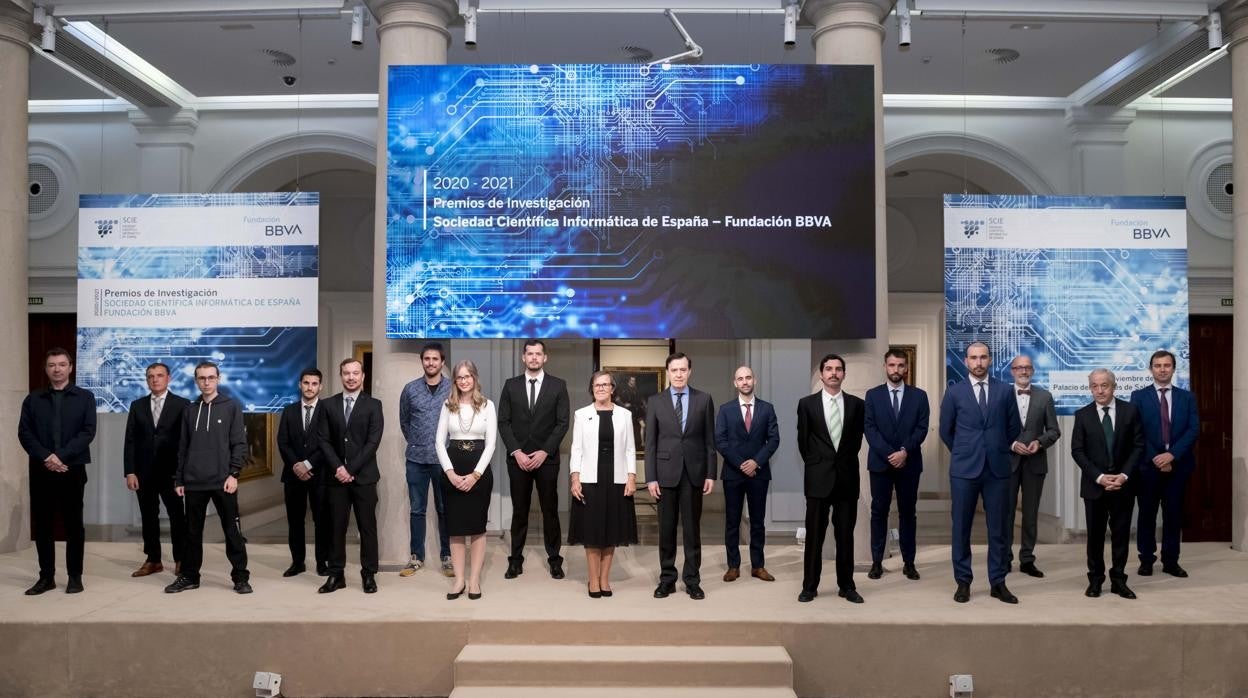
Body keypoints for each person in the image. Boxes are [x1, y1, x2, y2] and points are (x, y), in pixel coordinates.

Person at [939, 342, 1022, 604]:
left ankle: (998, 582)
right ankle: (963, 582)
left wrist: (997, 450)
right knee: (961, 528)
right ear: (965, 361)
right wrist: (965, 451)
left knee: (998, 529)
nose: (979, 362)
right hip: (964, 470)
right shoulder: (954, 393)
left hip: (997, 469)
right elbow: (945, 430)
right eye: (974, 358)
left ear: (990, 360)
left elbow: (1013, 428)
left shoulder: (1005, 391)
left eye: (983, 357)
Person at [166, 361, 251, 594]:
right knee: (192, 533)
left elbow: (239, 445)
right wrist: (180, 478)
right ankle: (190, 576)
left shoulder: (231, 406)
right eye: (202, 378)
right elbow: (183, 447)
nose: (206, 382)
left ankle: (240, 577)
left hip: (223, 481)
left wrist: (234, 474)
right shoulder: (190, 410)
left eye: (211, 377)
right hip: (194, 482)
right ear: (196, 381)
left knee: (232, 532)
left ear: (218, 379)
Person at [18, 348, 97, 595]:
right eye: (52, 365)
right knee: (43, 526)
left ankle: (75, 577)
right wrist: (47, 457)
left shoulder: (85, 397)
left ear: (70, 367)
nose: (57, 369)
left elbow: (88, 432)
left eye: (62, 364)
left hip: (72, 470)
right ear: (46, 369)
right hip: (42, 471)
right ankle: (46, 577)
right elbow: (24, 433)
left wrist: (61, 456)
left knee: (74, 526)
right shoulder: (33, 399)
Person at [497, 339, 570, 580]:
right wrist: (516, 451)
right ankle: (515, 560)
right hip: (517, 459)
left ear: (545, 357)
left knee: (550, 510)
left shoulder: (558, 386)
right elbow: (503, 422)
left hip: (546, 459)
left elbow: (562, 424)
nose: (534, 358)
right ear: (523, 357)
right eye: (530, 354)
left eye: (538, 354)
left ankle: (554, 560)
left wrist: (544, 451)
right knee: (520, 511)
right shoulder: (510, 385)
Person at [646, 352, 717, 600]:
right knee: (666, 530)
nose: (678, 374)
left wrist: (711, 472)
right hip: (664, 475)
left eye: (683, 370)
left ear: (689, 372)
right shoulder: (655, 401)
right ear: (668, 372)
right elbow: (651, 443)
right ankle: (667, 579)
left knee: (691, 530)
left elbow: (710, 440)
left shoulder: (704, 399)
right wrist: (651, 478)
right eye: (674, 370)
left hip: (694, 473)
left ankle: (692, 580)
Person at [796, 354, 865, 604]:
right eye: (828, 369)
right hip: (818, 479)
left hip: (847, 480)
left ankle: (847, 586)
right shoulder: (807, 404)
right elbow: (803, 442)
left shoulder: (858, 405)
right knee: (814, 536)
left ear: (843, 374)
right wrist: (816, 465)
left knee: (845, 536)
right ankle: (809, 587)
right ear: (821, 374)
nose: (833, 373)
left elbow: (856, 441)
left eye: (838, 369)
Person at [1071, 369, 1143, 600]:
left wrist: (1124, 475)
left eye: (1104, 385)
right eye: (1095, 386)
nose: (1100, 390)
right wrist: (1100, 477)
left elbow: (1138, 446)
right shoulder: (1082, 415)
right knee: (1095, 536)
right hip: (1095, 486)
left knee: (1121, 535)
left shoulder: (1130, 411)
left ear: (1114, 386)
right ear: (1090, 387)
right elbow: (1078, 451)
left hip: (1123, 485)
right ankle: (1095, 580)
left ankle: (1119, 580)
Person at [315, 358, 384, 594]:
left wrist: (350, 469)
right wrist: (338, 468)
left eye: (356, 373)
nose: (351, 377)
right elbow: (322, 440)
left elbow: (373, 442)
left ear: (363, 376)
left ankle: (368, 575)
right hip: (335, 479)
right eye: (346, 373)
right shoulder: (327, 405)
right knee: (336, 528)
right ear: (340, 375)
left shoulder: (374, 405)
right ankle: (336, 575)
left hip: (364, 477)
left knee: (367, 528)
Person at [568, 371, 638, 597]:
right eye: (597, 385)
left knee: (612, 531)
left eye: (605, 385)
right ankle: (592, 581)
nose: (601, 388)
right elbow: (576, 448)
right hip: (590, 478)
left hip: (617, 478)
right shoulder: (581, 414)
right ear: (592, 388)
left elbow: (629, 449)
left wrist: (631, 477)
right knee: (592, 532)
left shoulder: (625, 415)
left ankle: (605, 580)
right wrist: (575, 477)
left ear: (612, 389)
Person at [1131, 350, 1200, 578]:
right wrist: (1157, 458)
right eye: (1158, 365)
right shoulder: (1138, 396)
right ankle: (1146, 560)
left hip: (1178, 466)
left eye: (1167, 365)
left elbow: (1193, 430)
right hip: (1148, 467)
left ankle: (1171, 561)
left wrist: (1172, 456)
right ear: (1151, 369)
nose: (1162, 369)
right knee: (1147, 515)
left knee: (1173, 515)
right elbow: (1136, 431)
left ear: (1173, 368)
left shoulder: (1187, 397)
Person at [863, 349, 928, 581]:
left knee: (908, 513)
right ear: (885, 367)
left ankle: (909, 562)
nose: (896, 370)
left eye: (900, 365)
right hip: (880, 464)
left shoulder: (919, 396)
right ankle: (877, 562)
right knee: (879, 512)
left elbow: (922, 429)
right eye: (892, 365)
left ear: (906, 368)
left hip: (909, 464)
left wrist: (903, 452)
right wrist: (890, 453)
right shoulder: (872, 395)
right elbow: (869, 429)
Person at [436, 360, 497, 600]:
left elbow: (491, 443)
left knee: (477, 528)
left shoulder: (487, 405)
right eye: (459, 377)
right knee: (456, 529)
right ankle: (459, 580)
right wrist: (450, 473)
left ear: (475, 378)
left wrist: (475, 475)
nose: (464, 381)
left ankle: (474, 581)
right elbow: (439, 442)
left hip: (479, 472)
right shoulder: (447, 405)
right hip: (452, 469)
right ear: (454, 381)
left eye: (468, 376)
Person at [122, 362, 189, 579]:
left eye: (159, 375)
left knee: (177, 516)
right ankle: (153, 559)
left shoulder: (183, 404)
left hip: (172, 473)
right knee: (148, 516)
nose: (155, 379)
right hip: (144, 473)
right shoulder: (137, 405)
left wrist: (182, 474)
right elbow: (130, 440)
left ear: (168, 378)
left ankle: (181, 559)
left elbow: (186, 442)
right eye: (150, 376)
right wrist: (130, 471)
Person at [715, 365, 780, 583]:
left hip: (758, 474)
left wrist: (756, 462)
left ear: (755, 381)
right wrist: (742, 463)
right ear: (735, 383)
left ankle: (758, 566)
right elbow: (720, 441)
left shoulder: (767, 408)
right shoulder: (725, 409)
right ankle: (733, 566)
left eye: (748, 378)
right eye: (740, 379)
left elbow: (774, 440)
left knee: (758, 522)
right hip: (733, 474)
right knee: (732, 521)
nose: (744, 382)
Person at [398, 342, 454, 578]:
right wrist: (417, 441)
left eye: (435, 359)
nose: (431, 363)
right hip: (416, 460)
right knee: (417, 510)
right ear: (422, 361)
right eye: (427, 359)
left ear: (442, 362)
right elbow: (404, 421)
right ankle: (416, 557)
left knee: (445, 510)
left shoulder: (453, 388)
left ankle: (447, 557)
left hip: (445, 461)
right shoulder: (410, 389)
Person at [1004, 354, 1061, 578]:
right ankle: (1004, 558)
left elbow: (1054, 430)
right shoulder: (1001, 395)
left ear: (1033, 370)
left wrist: (1040, 442)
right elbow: (995, 428)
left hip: (1035, 463)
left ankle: (1027, 559)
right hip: (1008, 463)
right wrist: (1012, 444)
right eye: (1019, 368)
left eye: (1027, 367)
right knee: (1005, 513)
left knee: (1030, 514)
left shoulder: (1045, 396)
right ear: (1012, 371)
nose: (1023, 371)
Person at [276, 368, 330, 577]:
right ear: (300, 385)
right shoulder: (289, 411)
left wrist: (308, 464)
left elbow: (328, 443)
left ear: (320, 386)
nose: (310, 387)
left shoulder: (327, 410)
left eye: (314, 383)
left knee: (321, 521)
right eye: (306, 383)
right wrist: (297, 466)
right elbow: (283, 442)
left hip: (320, 475)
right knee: (295, 521)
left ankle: (321, 562)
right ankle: (297, 562)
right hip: (293, 475)